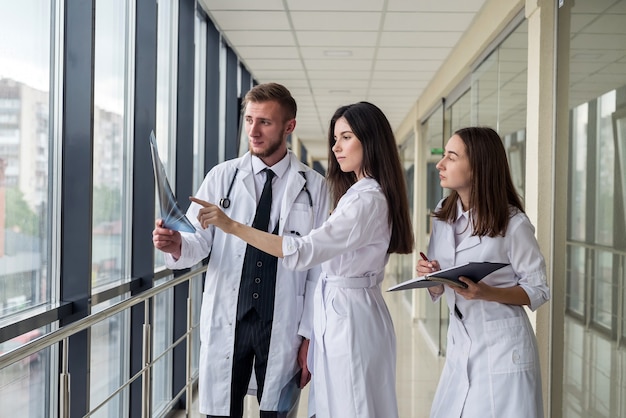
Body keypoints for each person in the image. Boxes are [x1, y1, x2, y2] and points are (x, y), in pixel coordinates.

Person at [191, 101, 413, 418]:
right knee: (343, 403)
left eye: (346, 137)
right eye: (335, 138)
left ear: (371, 139)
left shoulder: (366, 198)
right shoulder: (360, 192)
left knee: (353, 405)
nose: (336, 147)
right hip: (342, 311)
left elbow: (304, 251)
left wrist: (233, 226)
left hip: (348, 317)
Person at [152, 82, 330, 418]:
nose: (254, 131)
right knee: (221, 413)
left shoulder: (314, 187)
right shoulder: (222, 177)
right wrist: (176, 244)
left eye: (265, 122)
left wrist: (308, 336)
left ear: (289, 126)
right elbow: (196, 242)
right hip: (230, 319)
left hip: (283, 323)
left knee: (275, 413)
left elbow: (318, 271)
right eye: (249, 120)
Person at [416, 126, 550, 418]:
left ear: (477, 168)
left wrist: (487, 292)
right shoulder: (443, 214)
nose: (440, 164)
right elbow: (438, 287)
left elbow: (539, 289)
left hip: (503, 347)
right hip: (460, 344)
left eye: (451, 157)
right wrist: (431, 275)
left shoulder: (513, 223)